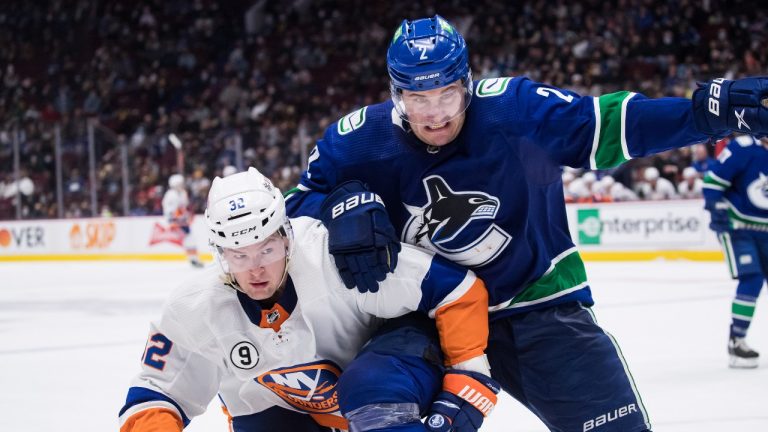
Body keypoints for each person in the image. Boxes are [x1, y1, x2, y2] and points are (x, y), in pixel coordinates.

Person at [287, 15, 768, 431]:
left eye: (446, 94)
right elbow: (291, 211)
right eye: (417, 98)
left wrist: (701, 118)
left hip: (537, 308)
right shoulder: (357, 142)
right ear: (396, 94)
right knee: (373, 395)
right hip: (425, 316)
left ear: (467, 83)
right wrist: (338, 202)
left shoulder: (514, 109)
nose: (434, 114)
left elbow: (610, 125)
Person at [119, 167, 498, 432]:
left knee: (371, 392)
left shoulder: (330, 255)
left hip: (389, 372)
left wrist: (470, 377)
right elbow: (155, 394)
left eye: (266, 250)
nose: (256, 270)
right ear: (221, 253)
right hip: (295, 412)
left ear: (286, 236)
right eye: (239, 256)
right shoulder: (195, 307)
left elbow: (455, 289)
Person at [703, 134, 768, 369]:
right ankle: (737, 340)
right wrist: (717, 210)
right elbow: (712, 183)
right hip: (738, 227)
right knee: (751, 279)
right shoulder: (743, 147)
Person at [162, 173, 203, 268]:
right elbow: (170, 211)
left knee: (189, 239)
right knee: (189, 239)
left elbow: (184, 207)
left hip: (182, 221)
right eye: (180, 183)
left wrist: (187, 215)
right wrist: (175, 219)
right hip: (176, 222)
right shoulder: (171, 195)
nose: (182, 185)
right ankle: (193, 258)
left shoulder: (182, 193)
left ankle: (193, 258)